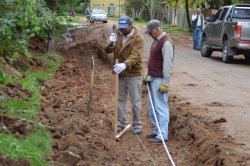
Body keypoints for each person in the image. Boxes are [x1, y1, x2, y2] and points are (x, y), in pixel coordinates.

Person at [105, 16, 144, 134]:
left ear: (130, 25)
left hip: (133, 73)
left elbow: (136, 56)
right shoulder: (117, 34)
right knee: (120, 99)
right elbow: (107, 51)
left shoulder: (138, 38)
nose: (122, 30)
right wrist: (111, 43)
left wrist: (125, 65)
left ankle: (137, 124)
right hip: (120, 74)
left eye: (124, 28)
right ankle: (121, 123)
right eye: (120, 28)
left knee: (135, 101)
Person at [143, 20, 174, 143]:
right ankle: (157, 130)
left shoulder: (166, 43)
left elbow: (168, 65)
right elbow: (153, 60)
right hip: (153, 78)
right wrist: (147, 74)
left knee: (161, 107)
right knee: (152, 107)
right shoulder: (155, 42)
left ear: (156, 30)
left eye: (151, 32)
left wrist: (166, 82)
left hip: (160, 79)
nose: (150, 34)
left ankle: (163, 135)